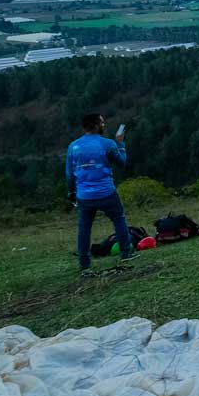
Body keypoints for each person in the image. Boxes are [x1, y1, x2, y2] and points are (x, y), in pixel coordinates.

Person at [66, 113, 137, 276]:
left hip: (84, 196)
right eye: (103, 122)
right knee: (118, 219)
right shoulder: (107, 144)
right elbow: (122, 163)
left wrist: (72, 193)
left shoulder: (73, 147)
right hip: (106, 192)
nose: (104, 125)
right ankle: (126, 253)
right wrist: (121, 143)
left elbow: (69, 175)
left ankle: (84, 262)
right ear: (97, 125)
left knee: (84, 228)